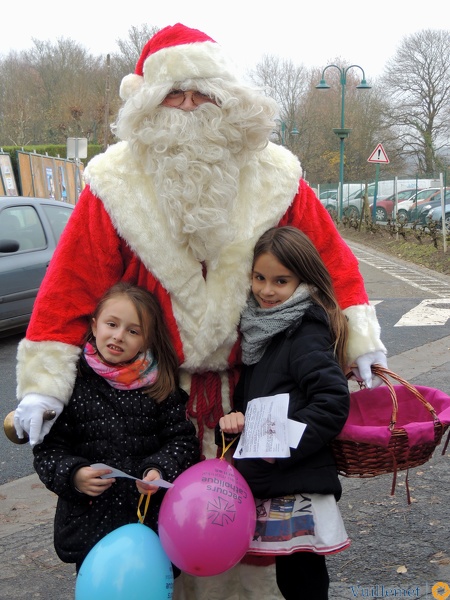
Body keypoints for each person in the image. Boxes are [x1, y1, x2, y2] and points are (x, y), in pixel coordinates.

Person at [14, 23, 387, 600]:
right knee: (164, 532)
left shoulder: (275, 174)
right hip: (157, 395)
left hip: (256, 388)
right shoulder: (114, 182)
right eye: (173, 94)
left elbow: (329, 262)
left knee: (259, 541)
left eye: (201, 94)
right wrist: (44, 387)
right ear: (146, 103)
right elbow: (71, 286)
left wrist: (359, 340)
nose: (188, 108)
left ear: (227, 99)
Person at [218, 226, 352, 600]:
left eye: (281, 281)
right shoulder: (262, 330)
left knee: (303, 582)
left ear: (302, 280)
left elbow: (331, 401)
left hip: (297, 478)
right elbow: (259, 401)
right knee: (293, 581)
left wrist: (278, 445)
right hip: (277, 477)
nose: (266, 290)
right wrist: (236, 420)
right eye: (259, 278)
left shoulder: (303, 331)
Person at [32, 282, 200, 573]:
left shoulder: (160, 387)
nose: (118, 336)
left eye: (133, 331)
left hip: (148, 523)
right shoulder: (69, 384)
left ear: (147, 341)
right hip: (92, 524)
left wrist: (159, 469)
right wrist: (74, 475)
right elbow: (48, 449)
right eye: (112, 324)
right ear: (95, 326)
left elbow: (182, 442)